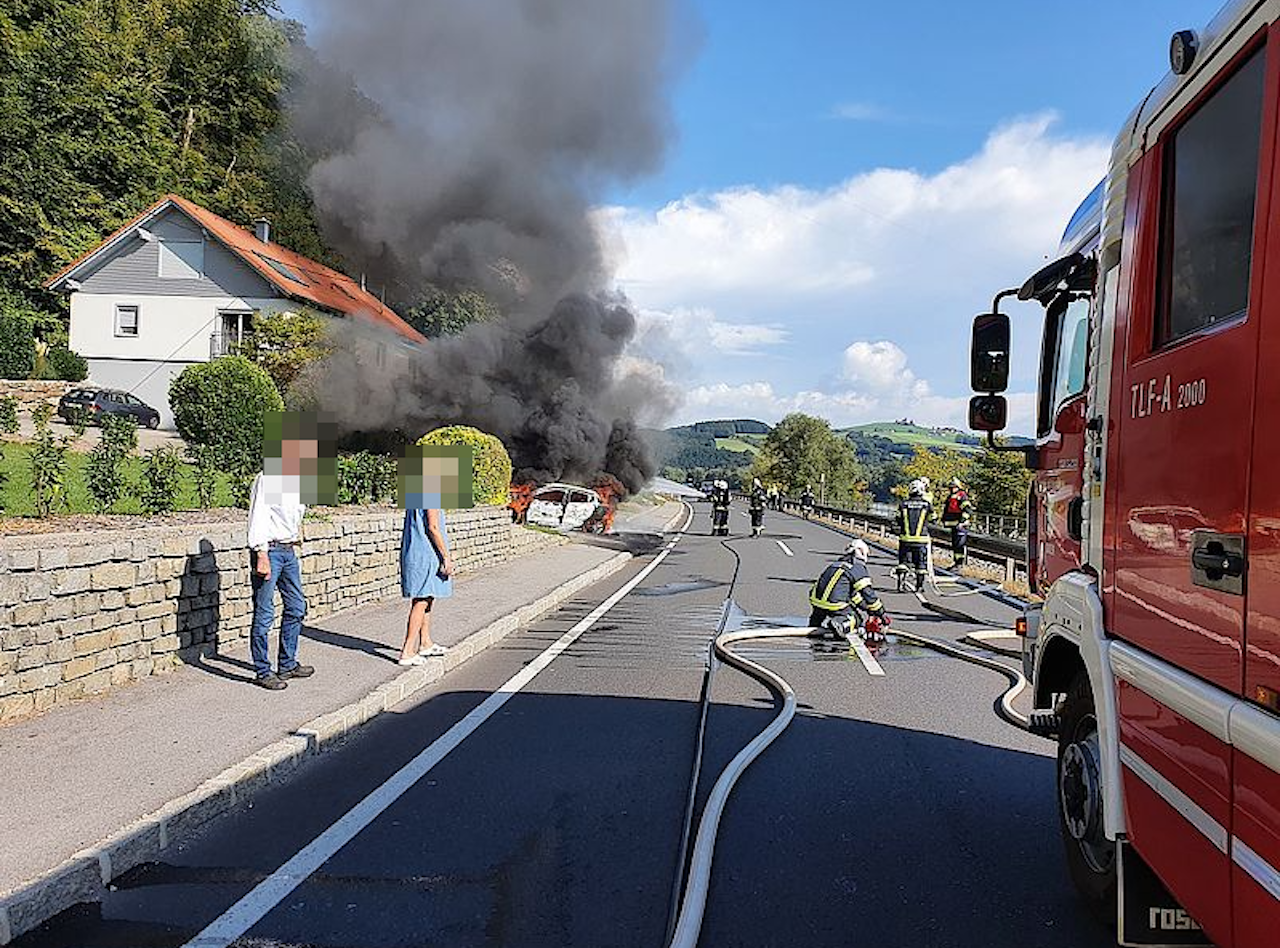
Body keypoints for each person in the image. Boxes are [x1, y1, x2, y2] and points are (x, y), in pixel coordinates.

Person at [246, 420, 327, 691]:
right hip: (269, 550)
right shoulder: (268, 478)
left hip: (288, 551)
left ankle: (287, 663)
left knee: (296, 607)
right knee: (265, 613)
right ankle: (262, 670)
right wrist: (261, 554)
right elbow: (258, 516)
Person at [398, 507, 454, 665]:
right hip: (426, 553)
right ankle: (408, 650)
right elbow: (433, 527)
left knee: (428, 597)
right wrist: (446, 556)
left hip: (416, 551)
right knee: (421, 600)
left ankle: (425, 643)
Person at [808, 538, 890, 639]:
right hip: (835, 604)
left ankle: (815, 623)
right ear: (861, 551)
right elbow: (868, 594)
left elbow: (852, 594)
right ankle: (840, 624)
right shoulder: (857, 566)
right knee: (856, 619)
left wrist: (867, 609)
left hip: (816, 601)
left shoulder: (838, 563)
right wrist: (881, 613)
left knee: (820, 613)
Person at [896, 478, 934, 589]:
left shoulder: (903, 504)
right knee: (920, 564)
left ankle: (901, 583)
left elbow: (897, 519)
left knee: (903, 562)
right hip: (921, 540)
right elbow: (933, 518)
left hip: (905, 540)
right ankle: (919, 586)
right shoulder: (926, 504)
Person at [941, 476, 973, 568]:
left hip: (960, 526)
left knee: (959, 545)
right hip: (953, 525)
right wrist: (943, 519)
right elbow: (946, 509)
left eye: (952, 487)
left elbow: (968, 510)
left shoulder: (962, 496)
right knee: (955, 545)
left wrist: (962, 521)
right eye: (950, 487)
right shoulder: (950, 497)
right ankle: (956, 563)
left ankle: (960, 564)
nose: (951, 489)